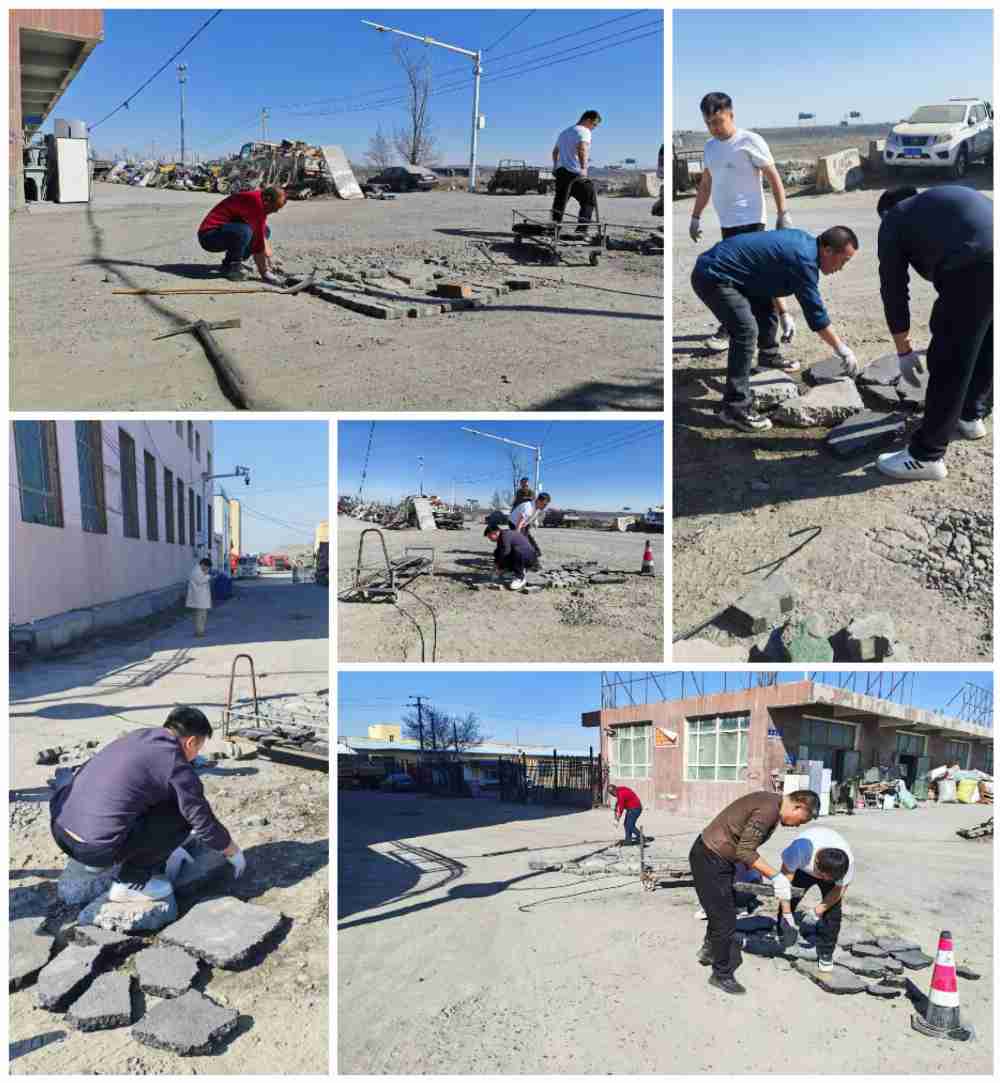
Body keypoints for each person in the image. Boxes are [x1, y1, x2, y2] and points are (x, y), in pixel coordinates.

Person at [49, 707, 245, 903]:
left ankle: (98, 862)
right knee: (181, 814)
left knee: (143, 794)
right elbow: (201, 820)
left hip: (61, 831)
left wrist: (166, 849)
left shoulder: (138, 736)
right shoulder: (174, 762)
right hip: (94, 849)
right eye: (198, 748)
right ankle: (130, 883)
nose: (196, 754)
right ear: (191, 742)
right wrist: (231, 850)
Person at [873, 185, 993, 481]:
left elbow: (894, 288)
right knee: (988, 341)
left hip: (975, 266)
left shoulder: (894, 218)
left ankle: (925, 456)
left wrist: (903, 350)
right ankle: (970, 415)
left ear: (886, 211)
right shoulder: (941, 200)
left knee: (949, 359)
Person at [691, 226, 860, 432]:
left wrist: (784, 313)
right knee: (745, 331)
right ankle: (735, 408)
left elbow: (770, 275)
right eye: (843, 261)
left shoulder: (803, 243)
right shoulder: (804, 260)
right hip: (714, 275)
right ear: (828, 250)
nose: (841, 268)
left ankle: (768, 357)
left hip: (730, 271)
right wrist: (841, 349)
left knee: (765, 304)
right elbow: (816, 314)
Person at [691, 92, 795, 357]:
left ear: (731, 115)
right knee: (733, 281)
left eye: (718, 121)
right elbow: (706, 183)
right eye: (708, 123)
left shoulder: (750, 141)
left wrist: (783, 212)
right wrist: (695, 216)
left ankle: (767, 346)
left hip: (751, 222)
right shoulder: (710, 147)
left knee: (757, 283)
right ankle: (734, 328)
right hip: (727, 224)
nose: (714, 128)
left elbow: (773, 176)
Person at [690, 788, 820, 995]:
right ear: (798, 806)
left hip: (717, 857)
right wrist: (776, 876)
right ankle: (721, 974)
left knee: (722, 909)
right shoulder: (768, 810)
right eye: (801, 821)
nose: (797, 826)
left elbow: (742, 843)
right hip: (710, 857)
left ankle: (710, 950)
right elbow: (745, 850)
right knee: (725, 920)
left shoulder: (771, 804)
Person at [778, 825, 854, 972]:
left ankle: (826, 952)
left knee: (833, 912)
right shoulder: (799, 851)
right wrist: (786, 913)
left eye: (830, 878)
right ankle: (783, 935)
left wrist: (817, 911)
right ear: (816, 864)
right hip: (803, 869)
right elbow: (783, 884)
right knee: (789, 900)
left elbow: (838, 891)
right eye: (822, 876)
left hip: (828, 869)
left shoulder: (846, 863)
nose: (824, 880)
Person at [197, 185, 287, 282]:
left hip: (224, 230)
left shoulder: (261, 200)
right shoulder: (255, 201)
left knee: (265, 230)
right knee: (244, 231)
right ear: (267, 200)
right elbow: (258, 242)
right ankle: (234, 265)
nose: (276, 211)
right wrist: (264, 272)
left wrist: (268, 254)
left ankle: (229, 263)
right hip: (209, 236)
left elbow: (261, 231)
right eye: (275, 207)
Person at [551, 110, 601, 233]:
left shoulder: (564, 132)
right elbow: (582, 148)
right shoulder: (584, 131)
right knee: (589, 200)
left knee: (560, 202)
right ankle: (581, 231)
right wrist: (583, 168)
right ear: (588, 120)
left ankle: (554, 228)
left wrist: (555, 167)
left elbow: (555, 152)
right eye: (594, 124)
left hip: (561, 172)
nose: (594, 128)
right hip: (575, 172)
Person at [484, 524, 539, 590]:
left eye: (490, 537)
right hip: (523, 556)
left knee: (515, 551)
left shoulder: (505, 535)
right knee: (497, 552)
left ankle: (520, 578)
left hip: (528, 557)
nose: (490, 539)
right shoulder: (501, 536)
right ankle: (512, 571)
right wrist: (497, 564)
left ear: (495, 533)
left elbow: (505, 552)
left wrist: (498, 566)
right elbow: (499, 552)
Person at [510, 491, 551, 561]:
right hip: (514, 523)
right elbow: (520, 523)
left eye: (546, 505)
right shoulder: (528, 507)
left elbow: (534, 515)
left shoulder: (538, 507)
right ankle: (515, 555)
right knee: (522, 540)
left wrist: (535, 522)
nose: (545, 506)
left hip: (524, 523)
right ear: (538, 501)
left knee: (529, 539)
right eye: (544, 504)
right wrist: (517, 536)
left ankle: (536, 552)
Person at [186, 558, 212, 637]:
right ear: (203, 564)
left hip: (201, 597)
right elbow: (201, 581)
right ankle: (199, 632)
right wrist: (208, 576)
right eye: (207, 567)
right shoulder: (196, 571)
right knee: (200, 616)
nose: (207, 569)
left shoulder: (200, 570)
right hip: (199, 598)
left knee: (202, 615)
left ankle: (200, 631)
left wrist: (206, 574)